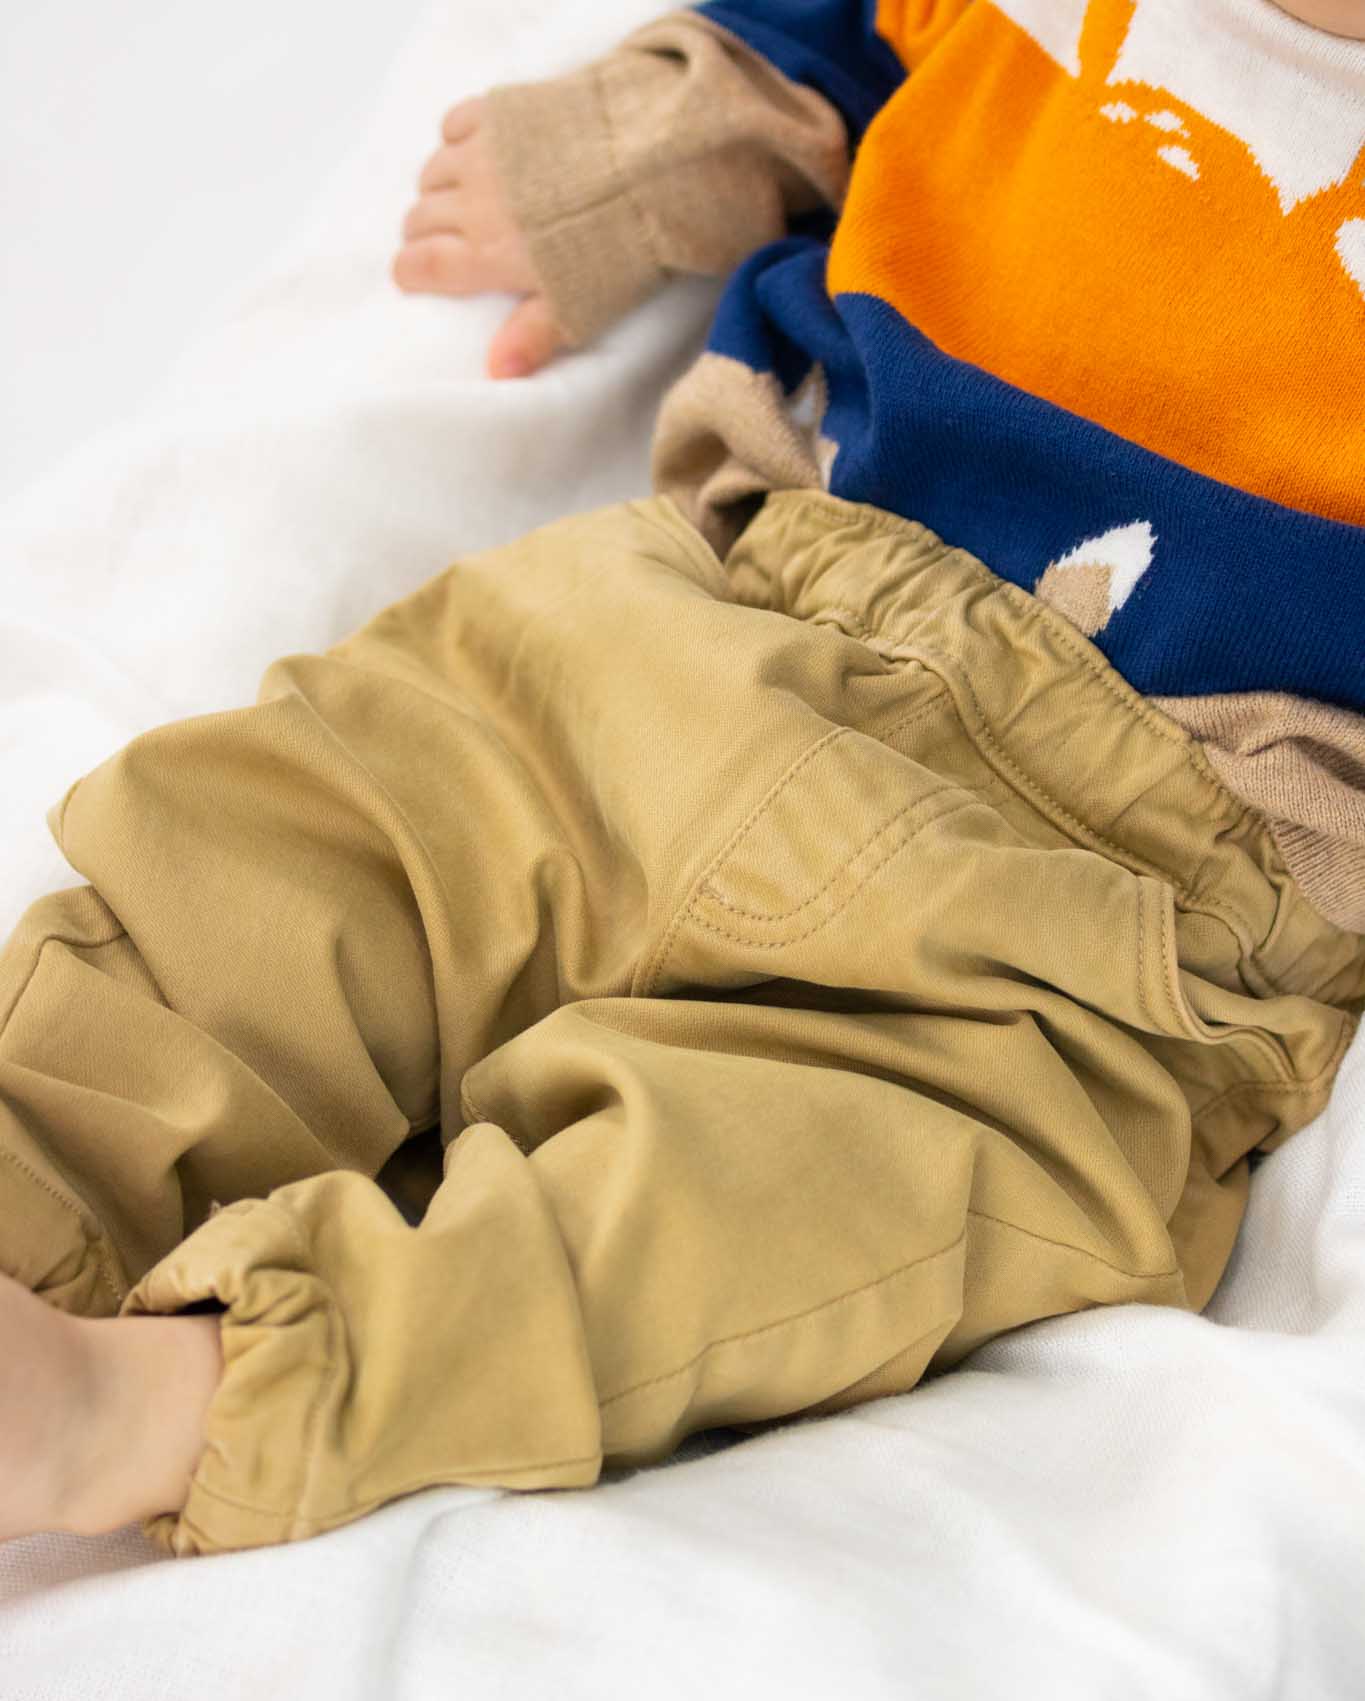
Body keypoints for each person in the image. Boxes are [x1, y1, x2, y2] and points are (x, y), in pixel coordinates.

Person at [3, 0, 1363, 1559]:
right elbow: (800, 51)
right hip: (727, 609)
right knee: (291, 864)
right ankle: (27, 1164)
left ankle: (156, 1406)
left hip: (1131, 892)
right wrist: (624, 150)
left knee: (779, 1206)